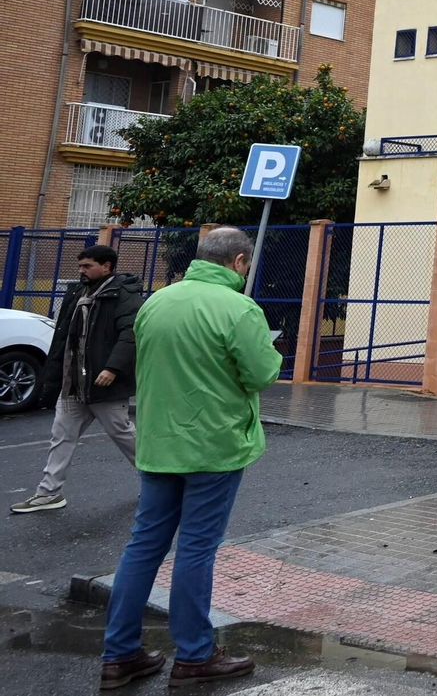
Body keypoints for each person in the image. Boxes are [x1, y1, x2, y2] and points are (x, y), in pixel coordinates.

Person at [98, 227, 282, 689]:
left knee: (143, 545)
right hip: (215, 446)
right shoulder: (239, 308)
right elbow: (261, 374)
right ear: (239, 261)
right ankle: (195, 655)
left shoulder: (157, 302)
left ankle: (120, 655)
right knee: (196, 548)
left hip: (159, 442)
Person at [11, 245, 142, 515]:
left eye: (88, 266)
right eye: (80, 266)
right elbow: (63, 337)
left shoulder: (124, 295)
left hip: (105, 382)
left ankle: (161, 483)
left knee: (123, 435)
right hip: (74, 384)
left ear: (106, 266)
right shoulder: (76, 293)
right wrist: (55, 375)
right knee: (61, 436)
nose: (82, 271)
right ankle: (49, 493)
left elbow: (130, 334)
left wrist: (113, 368)